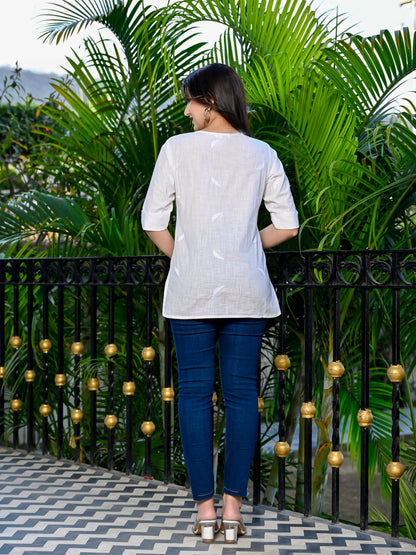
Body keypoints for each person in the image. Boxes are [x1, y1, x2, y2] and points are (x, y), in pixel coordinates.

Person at [141, 63, 298, 544]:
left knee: (192, 395)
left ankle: (205, 513)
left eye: (191, 102)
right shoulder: (262, 153)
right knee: (241, 396)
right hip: (245, 291)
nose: (187, 111)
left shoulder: (176, 150)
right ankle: (233, 513)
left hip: (191, 292)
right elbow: (287, 225)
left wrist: (185, 255)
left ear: (210, 104)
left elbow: (152, 220)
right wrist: (246, 245)